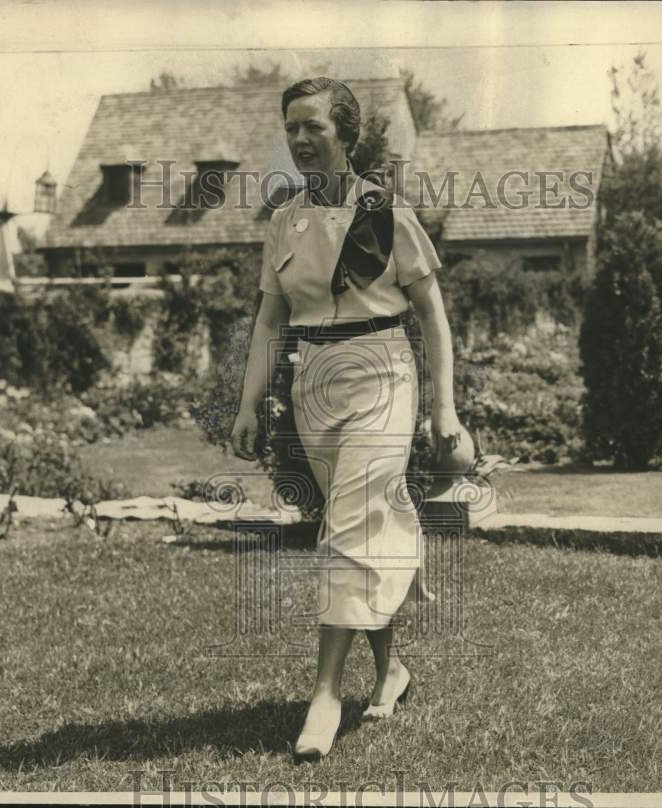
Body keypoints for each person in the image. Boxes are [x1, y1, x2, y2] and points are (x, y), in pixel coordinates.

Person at [230, 77, 461, 762]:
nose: (301, 140)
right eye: (292, 128)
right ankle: (390, 669)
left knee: (354, 526)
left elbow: (433, 317)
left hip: (382, 374)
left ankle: (326, 693)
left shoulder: (384, 213)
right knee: (358, 530)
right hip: (314, 384)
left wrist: (443, 405)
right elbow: (270, 319)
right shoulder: (286, 220)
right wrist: (249, 401)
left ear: (348, 136)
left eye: (315, 128)